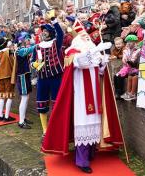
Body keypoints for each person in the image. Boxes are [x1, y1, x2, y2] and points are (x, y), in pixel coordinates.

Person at [42, 20, 123, 174]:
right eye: (84, 36)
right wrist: (93, 52)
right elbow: (80, 63)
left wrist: (103, 63)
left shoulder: (93, 51)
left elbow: (99, 73)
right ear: (78, 39)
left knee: (94, 123)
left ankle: (91, 153)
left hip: (94, 93)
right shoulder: (72, 52)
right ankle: (81, 160)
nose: (87, 38)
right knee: (83, 124)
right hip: (80, 95)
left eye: (88, 37)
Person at [35, 19, 64, 138]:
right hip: (42, 78)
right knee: (42, 103)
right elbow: (36, 61)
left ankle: (57, 128)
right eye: (42, 31)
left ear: (50, 33)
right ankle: (45, 130)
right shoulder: (37, 46)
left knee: (56, 103)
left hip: (55, 77)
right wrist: (34, 64)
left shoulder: (55, 43)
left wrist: (54, 21)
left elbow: (61, 33)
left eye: (45, 31)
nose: (43, 33)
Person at [14, 35, 35, 129]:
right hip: (22, 76)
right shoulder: (20, 50)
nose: (29, 40)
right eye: (27, 39)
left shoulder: (21, 49)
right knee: (24, 97)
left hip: (25, 75)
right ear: (23, 40)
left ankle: (23, 118)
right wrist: (40, 44)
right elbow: (31, 49)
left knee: (26, 97)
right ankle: (21, 121)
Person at [0, 38, 16, 122]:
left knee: (2, 96)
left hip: (0, 76)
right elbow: (14, 62)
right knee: (10, 96)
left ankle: (0, 116)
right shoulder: (9, 51)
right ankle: (7, 116)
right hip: (8, 75)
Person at [118, 34, 141, 101]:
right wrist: (125, 60)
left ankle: (133, 93)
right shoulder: (126, 50)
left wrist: (130, 61)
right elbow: (125, 59)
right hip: (131, 69)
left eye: (130, 41)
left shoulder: (138, 50)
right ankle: (128, 93)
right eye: (127, 42)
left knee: (135, 77)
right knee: (130, 77)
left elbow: (134, 60)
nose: (128, 43)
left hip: (137, 68)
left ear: (135, 42)